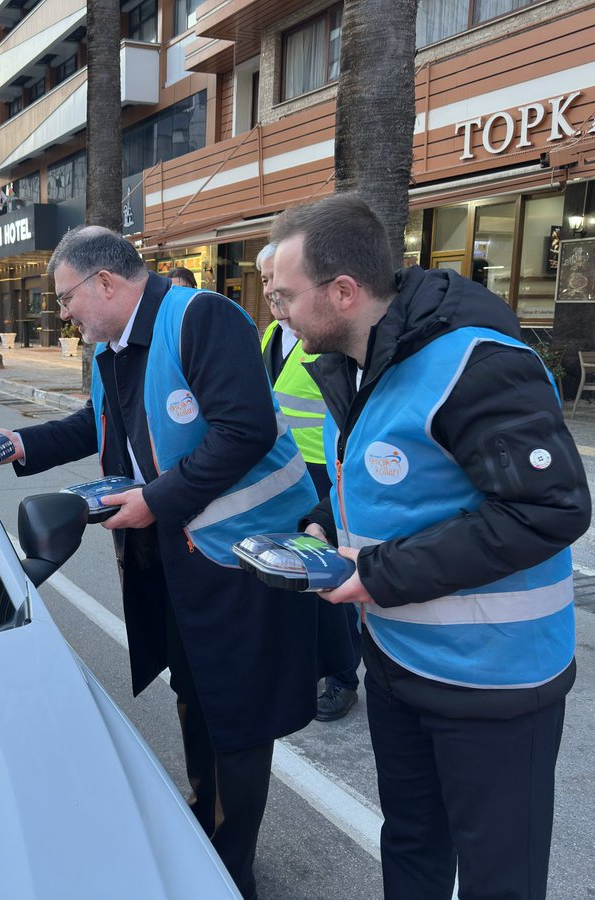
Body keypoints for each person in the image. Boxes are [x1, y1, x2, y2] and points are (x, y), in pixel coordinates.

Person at [0, 226, 354, 900]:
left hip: (241, 562)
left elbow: (243, 431)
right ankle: (205, 827)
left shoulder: (202, 318)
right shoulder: (114, 349)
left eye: (67, 298)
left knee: (237, 720)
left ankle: (230, 869)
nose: (63, 313)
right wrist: (14, 445)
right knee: (195, 698)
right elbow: (94, 425)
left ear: (106, 283)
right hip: (174, 564)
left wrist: (155, 501)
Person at [267, 193, 591, 900]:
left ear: (343, 292)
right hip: (398, 661)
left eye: (284, 295)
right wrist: (325, 522)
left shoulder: (474, 362)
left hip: (496, 684)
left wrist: (377, 572)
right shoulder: (365, 357)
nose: (276, 313)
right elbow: (401, 484)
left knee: (497, 881)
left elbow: (549, 508)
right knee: (411, 845)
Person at [256, 241, 361, 722]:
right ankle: (316, 663)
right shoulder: (271, 336)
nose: (270, 295)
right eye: (264, 283)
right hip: (287, 470)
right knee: (303, 577)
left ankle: (343, 678)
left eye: (279, 286)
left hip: (326, 472)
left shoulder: (326, 336)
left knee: (335, 576)